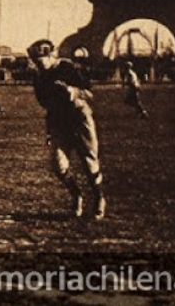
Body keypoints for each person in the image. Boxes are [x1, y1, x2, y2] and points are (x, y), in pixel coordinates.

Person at [27, 39, 106, 220]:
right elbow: (47, 105)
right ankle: (77, 196)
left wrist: (72, 91)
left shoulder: (67, 68)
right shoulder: (39, 78)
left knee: (89, 162)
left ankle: (99, 198)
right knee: (58, 165)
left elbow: (90, 93)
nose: (38, 64)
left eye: (40, 60)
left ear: (50, 55)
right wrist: (49, 130)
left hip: (79, 118)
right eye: (35, 61)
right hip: (59, 121)